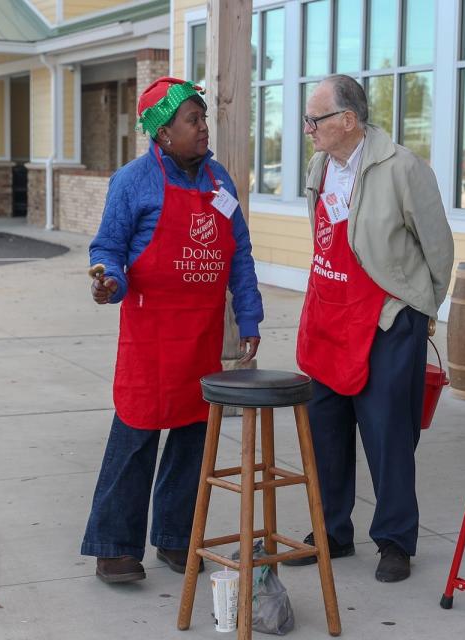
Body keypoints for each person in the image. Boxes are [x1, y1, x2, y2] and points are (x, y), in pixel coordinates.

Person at [81, 77, 263, 584]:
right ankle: (114, 547)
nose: (204, 128)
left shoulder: (220, 181)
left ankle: (177, 539)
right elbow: (108, 249)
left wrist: (249, 317)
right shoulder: (133, 181)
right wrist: (108, 283)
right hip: (151, 337)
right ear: (162, 134)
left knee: (191, 442)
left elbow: (240, 256)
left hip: (202, 337)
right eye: (193, 120)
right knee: (135, 437)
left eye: (203, 118)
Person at [287, 74, 454, 582]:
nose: (306, 128)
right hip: (330, 316)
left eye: (314, 119)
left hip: (386, 319)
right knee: (326, 433)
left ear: (348, 121)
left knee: (387, 437)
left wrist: (420, 310)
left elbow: (438, 248)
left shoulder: (403, 168)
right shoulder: (320, 165)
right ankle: (332, 531)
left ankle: (395, 540)